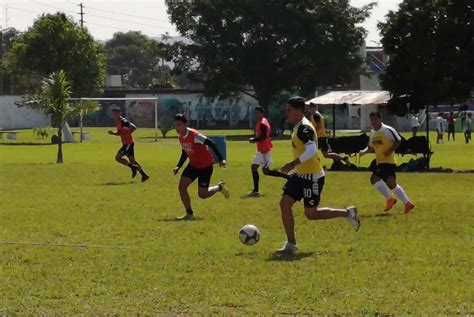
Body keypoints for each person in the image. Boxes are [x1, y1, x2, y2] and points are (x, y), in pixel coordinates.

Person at [276, 97, 360, 254]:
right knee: (284, 204)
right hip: (300, 175)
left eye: (289, 110)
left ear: (299, 111)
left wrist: (291, 164)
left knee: (311, 214)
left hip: (312, 177)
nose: (286, 113)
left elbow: (312, 150)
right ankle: (291, 244)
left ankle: (348, 213)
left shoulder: (305, 128)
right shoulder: (298, 126)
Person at [173, 114, 229, 220]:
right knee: (182, 187)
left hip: (205, 167)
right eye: (175, 125)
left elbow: (212, 143)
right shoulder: (180, 136)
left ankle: (219, 187)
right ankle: (189, 213)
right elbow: (185, 152)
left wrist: (221, 159)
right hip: (193, 165)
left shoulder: (195, 135)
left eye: (179, 125)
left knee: (203, 195)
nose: (177, 127)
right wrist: (178, 166)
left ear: (185, 124)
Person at [360, 112, 415, 214]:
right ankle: (407, 203)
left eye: (375, 119)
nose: (374, 121)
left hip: (388, 161)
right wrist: (363, 152)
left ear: (380, 119)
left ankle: (390, 199)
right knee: (391, 184)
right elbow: (370, 147)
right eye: (372, 119)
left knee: (374, 179)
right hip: (380, 161)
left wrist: (389, 150)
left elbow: (398, 140)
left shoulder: (387, 129)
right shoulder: (372, 133)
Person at [245, 106, 288, 197]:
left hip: (264, 150)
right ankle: (256, 190)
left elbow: (263, 136)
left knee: (265, 171)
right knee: (255, 168)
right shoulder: (264, 120)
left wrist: (254, 139)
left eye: (258, 113)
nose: (256, 115)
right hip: (261, 150)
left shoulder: (262, 123)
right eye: (255, 113)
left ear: (262, 113)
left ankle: (289, 177)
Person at [108, 106, 149, 182]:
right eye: (113, 114)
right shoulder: (119, 121)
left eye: (116, 113)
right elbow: (126, 131)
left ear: (119, 113)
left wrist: (122, 134)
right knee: (132, 160)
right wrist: (115, 133)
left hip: (128, 143)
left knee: (118, 158)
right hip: (127, 143)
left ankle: (133, 167)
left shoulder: (123, 121)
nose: (114, 115)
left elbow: (130, 129)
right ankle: (144, 175)